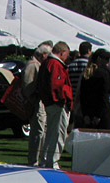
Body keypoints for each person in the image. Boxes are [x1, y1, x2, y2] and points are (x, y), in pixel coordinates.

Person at [37, 41, 72, 170]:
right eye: (66, 55)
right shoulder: (56, 64)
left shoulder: (46, 63)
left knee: (51, 132)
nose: (66, 58)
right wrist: (62, 100)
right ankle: (53, 161)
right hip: (57, 103)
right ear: (62, 53)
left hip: (49, 103)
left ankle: (46, 159)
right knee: (58, 133)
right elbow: (57, 85)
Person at [23, 42, 52, 166]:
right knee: (38, 132)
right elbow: (27, 85)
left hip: (38, 102)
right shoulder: (33, 65)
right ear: (44, 54)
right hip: (35, 103)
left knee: (42, 131)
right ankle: (34, 160)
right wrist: (32, 99)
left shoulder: (38, 65)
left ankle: (39, 158)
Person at [78, 49, 110, 130]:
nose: (108, 62)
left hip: (89, 113)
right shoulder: (103, 73)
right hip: (102, 114)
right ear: (99, 59)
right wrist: (99, 115)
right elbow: (103, 96)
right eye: (107, 59)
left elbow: (83, 95)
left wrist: (85, 114)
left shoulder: (87, 73)